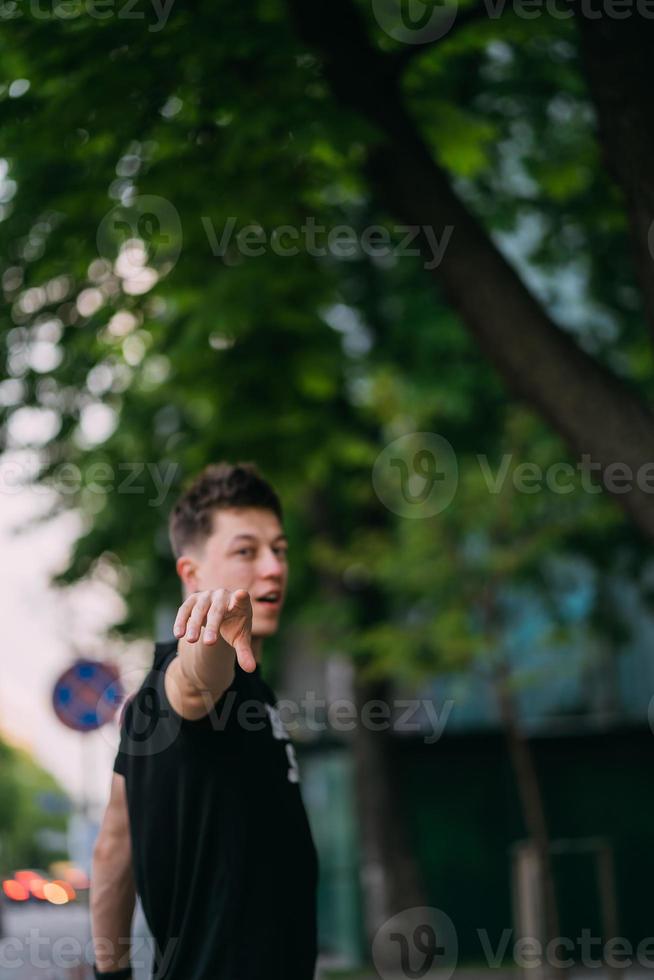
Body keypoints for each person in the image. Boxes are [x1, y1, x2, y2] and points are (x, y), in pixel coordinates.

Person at [90, 461, 319, 980]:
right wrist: (212, 634)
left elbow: (112, 847)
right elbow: (196, 681)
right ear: (191, 574)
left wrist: (111, 975)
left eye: (279, 550)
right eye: (246, 551)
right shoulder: (186, 680)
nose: (274, 567)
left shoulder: (157, 704)